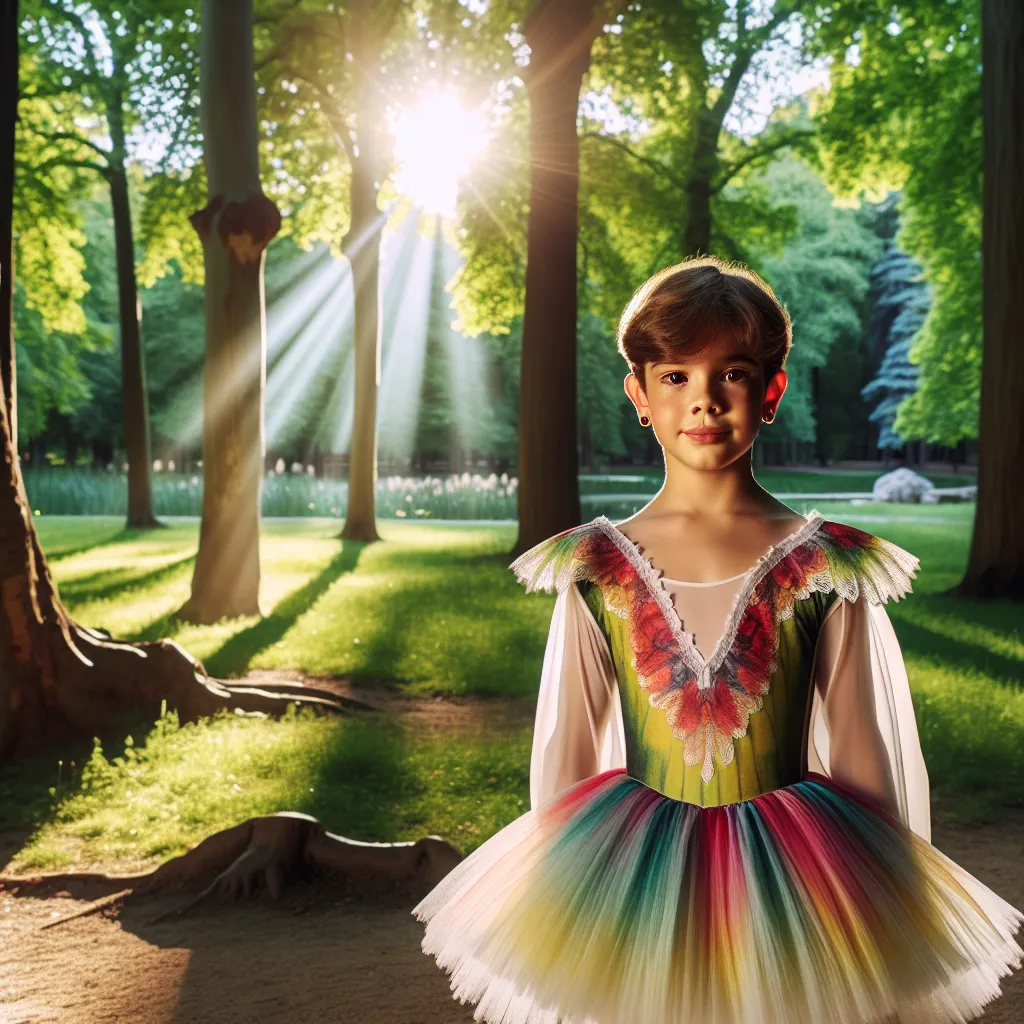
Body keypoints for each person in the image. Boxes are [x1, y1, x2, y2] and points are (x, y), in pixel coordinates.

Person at [411, 256, 1023, 1024]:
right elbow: (565, 754)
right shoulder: (595, 567)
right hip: (632, 877)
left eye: (731, 372)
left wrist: (884, 906)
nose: (702, 398)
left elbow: (870, 763)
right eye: (674, 376)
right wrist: (559, 903)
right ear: (639, 393)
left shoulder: (827, 565)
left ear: (772, 391)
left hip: (800, 881)